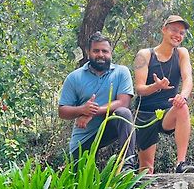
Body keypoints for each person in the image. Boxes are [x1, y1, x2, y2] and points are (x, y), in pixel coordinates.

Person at [58, 32, 136, 168]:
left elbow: (124, 102)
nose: (100, 54)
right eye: (96, 51)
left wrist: (92, 112)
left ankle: (127, 167)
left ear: (111, 53)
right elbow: (62, 111)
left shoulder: (121, 72)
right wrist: (82, 109)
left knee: (124, 113)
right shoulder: (74, 77)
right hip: (84, 136)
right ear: (88, 52)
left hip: (108, 127)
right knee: (80, 182)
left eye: (105, 51)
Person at [133, 15, 194, 174]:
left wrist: (183, 96)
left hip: (168, 111)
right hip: (145, 114)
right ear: (164, 30)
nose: (178, 35)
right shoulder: (144, 55)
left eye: (181, 33)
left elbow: (188, 78)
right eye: (174, 30)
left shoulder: (182, 53)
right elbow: (139, 88)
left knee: (183, 106)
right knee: (146, 169)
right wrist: (156, 86)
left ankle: (181, 163)